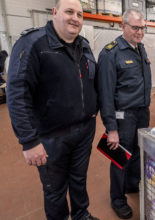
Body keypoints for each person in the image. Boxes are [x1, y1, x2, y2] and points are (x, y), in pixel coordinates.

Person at [6, 0, 99, 219]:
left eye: (79, 14)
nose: (75, 18)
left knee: (79, 179)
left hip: (84, 130)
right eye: (69, 12)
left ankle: (81, 214)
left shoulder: (83, 44)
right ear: (55, 13)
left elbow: (90, 81)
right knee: (55, 190)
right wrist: (29, 141)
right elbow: (17, 94)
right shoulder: (33, 43)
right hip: (50, 137)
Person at [97, 9, 151, 219]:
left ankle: (130, 185)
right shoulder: (111, 53)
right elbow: (106, 94)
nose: (140, 32)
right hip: (123, 116)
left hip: (141, 113)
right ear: (123, 27)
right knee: (120, 156)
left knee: (137, 152)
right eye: (135, 27)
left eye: (142, 28)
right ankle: (117, 199)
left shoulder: (140, 49)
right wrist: (111, 128)